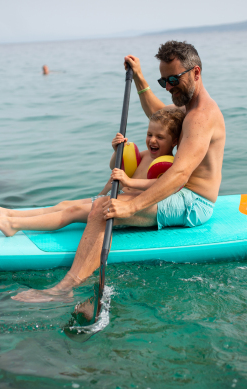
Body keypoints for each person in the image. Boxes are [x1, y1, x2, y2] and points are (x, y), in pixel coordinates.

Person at [12, 40, 226, 303]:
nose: (168, 86)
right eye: (164, 81)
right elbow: (160, 113)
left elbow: (179, 175)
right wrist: (139, 78)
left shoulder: (200, 117)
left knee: (105, 209)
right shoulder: (188, 107)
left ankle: (64, 289)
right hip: (180, 194)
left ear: (196, 73)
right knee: (102, 204)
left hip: (193, 202)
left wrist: (131, 208)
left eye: (173, 79)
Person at [0, 108, 184, 236]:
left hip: (130, 209)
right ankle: (9, 212)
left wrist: (129, 181)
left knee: (71, 212)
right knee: (64, 204)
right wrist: (117, 152)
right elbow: (115, 167)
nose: (152, 140)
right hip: (115, 197)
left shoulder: (170, 165)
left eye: (160, 137)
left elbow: (161, 186)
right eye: (149, 134)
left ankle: (13, 225)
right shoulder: (145, 154)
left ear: (174, 142)